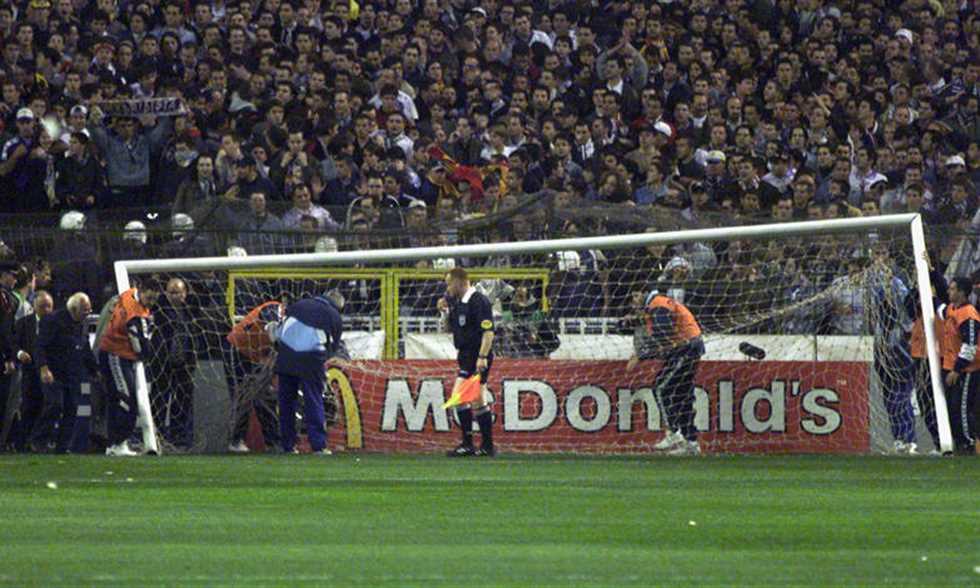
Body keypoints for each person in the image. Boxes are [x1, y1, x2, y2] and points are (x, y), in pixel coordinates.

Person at [626, 289, 705, 455]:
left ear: (644, 293)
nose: (633, 302)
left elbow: (663, 333)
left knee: (660, 388)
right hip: (689, 347)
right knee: (682, 396)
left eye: (635, 296)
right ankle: (691, 442)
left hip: (685, 348)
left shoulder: (657, 305)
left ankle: (673, 432)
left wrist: (641, 355)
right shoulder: (658, 305)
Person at [269, 290, 345, 454]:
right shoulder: (334, 316)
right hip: (311, 359)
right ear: (338, 306)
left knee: (286, 402)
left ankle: (288, 446)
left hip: (286, 356)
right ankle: (318, 445)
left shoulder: (299, 305)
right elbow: (332, 348)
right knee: (313, 399)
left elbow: (280, 331)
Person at [439, 267, 496, 457]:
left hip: (476, 356)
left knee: (459, 397)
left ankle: (468, 443)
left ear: (459, 282)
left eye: (449, 284)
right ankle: (486, 446)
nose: (447, 288)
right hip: (465, 356)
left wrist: (482, 357)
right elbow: (449, 329)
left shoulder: (478, 301)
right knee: (478, 400)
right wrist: (445, 312)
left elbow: (488, 332)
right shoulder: (458, 303)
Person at [98, 283, 160, 457]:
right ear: (141, 290)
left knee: (116, 399)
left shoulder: (129, 293)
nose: (151, 303)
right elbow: (139, 345)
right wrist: (145, 354)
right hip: (116, 354)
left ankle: (114, 444)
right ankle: (119, 442)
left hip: (113, 352)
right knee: (127, 399)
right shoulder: (136, 315)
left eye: (154, 299)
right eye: (149, 298)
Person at [32, 292, 98, 453]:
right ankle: (38, 440)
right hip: (53, 372)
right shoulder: (52, 321)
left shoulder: (81, 324)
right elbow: (40, 346)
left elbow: (85, 348)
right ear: (74, 309)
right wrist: (44, 368)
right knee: (55, 404)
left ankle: (62, 446)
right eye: (85, 310)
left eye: (89, 310)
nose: (88, 313)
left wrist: (95, 370)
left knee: (72, 409)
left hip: (72, 373)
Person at [224, 299, 284, 453]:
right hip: (238, 349)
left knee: (266, 396)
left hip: (258, 356)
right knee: (242, 395)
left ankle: (273, 442)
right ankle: (236, 440)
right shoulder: (274, 308)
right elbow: (270, 324)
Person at [146, 278, 196, 449]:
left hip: (184, 362)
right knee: (159, 400)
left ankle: (179, 438)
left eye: (178, 292)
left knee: (182, 401)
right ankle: (156, 436)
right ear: (166, 293)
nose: (175, 296)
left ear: (185, 293)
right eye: (171, 292)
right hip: (162, 362)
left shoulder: (190, 310)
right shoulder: (159, 309)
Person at [939, 277, 980, 456]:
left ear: (962, 292)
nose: (949, 291)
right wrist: (931, 274)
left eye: (953, 289)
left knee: (961, 407)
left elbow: (970, 345)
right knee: (952, 407)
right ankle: (961, 442)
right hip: (950, 365)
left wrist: (957, 369)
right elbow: (939, 306)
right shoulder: (951, 309)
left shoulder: (968, 314)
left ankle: (968, 443)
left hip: (967, 369)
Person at [8, 290, 53, 452]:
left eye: (49, 306)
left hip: (50, 373)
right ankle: (22, 443)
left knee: (48, 406)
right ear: (34, 307)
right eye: (42, 306)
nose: (46, 310)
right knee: (28, 407)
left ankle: (39, 441)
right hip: (30, 372)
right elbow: (12, 343)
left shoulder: (56, 324)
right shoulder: (24, 323)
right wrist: (20, 353)